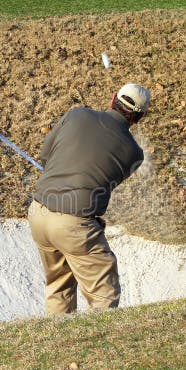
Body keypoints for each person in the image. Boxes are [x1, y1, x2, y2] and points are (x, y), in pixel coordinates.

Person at [28, 83, 151, 315]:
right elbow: (106, 181)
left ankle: (58, 344)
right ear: (139, 118)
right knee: (104, 293)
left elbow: (45, 155)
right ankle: (98, 345)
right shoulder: (135, 154)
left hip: (38, 212)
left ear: (113, 97)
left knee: (58, 285)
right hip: (74, 225)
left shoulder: (77, 114)